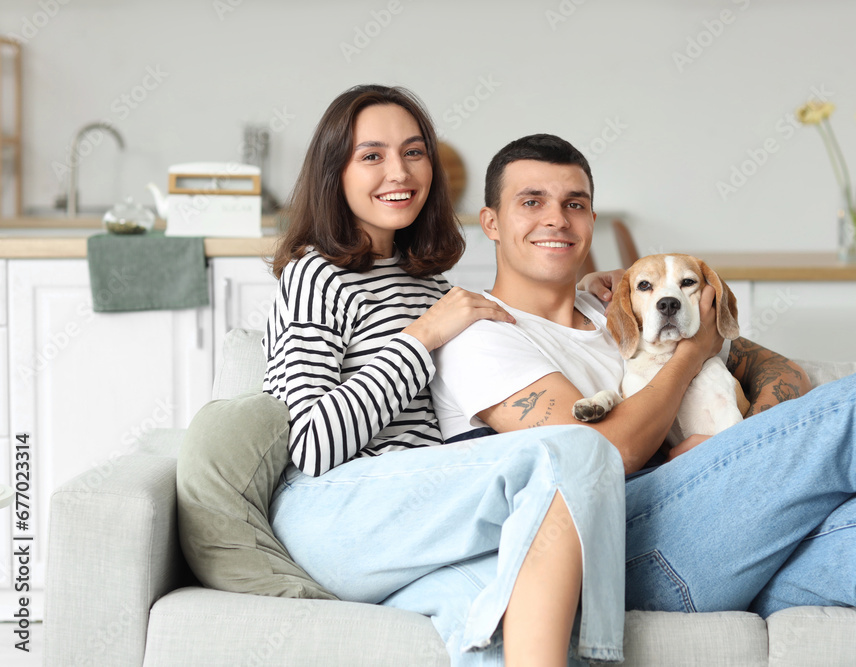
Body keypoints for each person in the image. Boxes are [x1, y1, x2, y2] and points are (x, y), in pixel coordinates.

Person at [430, 132, 856, 666]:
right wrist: (690, 359)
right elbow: (606, 453)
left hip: (727, 534)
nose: (556, 217)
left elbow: (775, 367)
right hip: (621, 556)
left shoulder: (627, 306)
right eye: (531, 202)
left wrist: (750, 456)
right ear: (492, 223)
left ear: (591, 220)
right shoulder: (482, 332)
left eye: (574, 203)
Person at [262, 85, 628, 666]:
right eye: (371, 156)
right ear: (335, 173)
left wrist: (589, 294)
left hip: (418, 526)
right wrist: (423, 338)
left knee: (505, 622)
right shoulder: (315, 274)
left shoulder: (431, 286)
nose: (398, 172)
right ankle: (608, 648)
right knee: (574, 451)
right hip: (334, 515)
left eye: (413, 152)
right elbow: (310, 444)